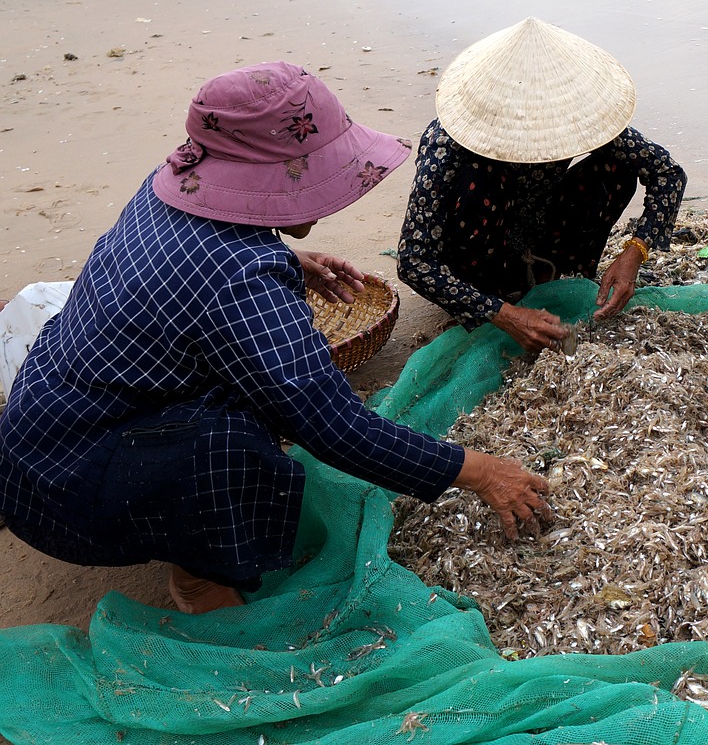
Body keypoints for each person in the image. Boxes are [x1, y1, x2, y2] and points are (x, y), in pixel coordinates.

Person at [0, 62, 553, 615]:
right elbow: (336, 428)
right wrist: (482, 472)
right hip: (69, 485)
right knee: (244, 437)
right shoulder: (242, 276)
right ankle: (196, 582)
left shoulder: (179, 182)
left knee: (259, 390)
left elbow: (196, 268)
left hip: (43, 423)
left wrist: (287, 260)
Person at [397, 17, 687, 353]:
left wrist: (635, 252)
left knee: (617, 166)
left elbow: (667, 173)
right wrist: (503, 314)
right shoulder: (448, 142)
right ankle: (502, 296)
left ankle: (559, 280)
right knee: (479, 179)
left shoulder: (573, 115)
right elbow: (414, 261)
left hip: (542, 238)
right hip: (476, 263)